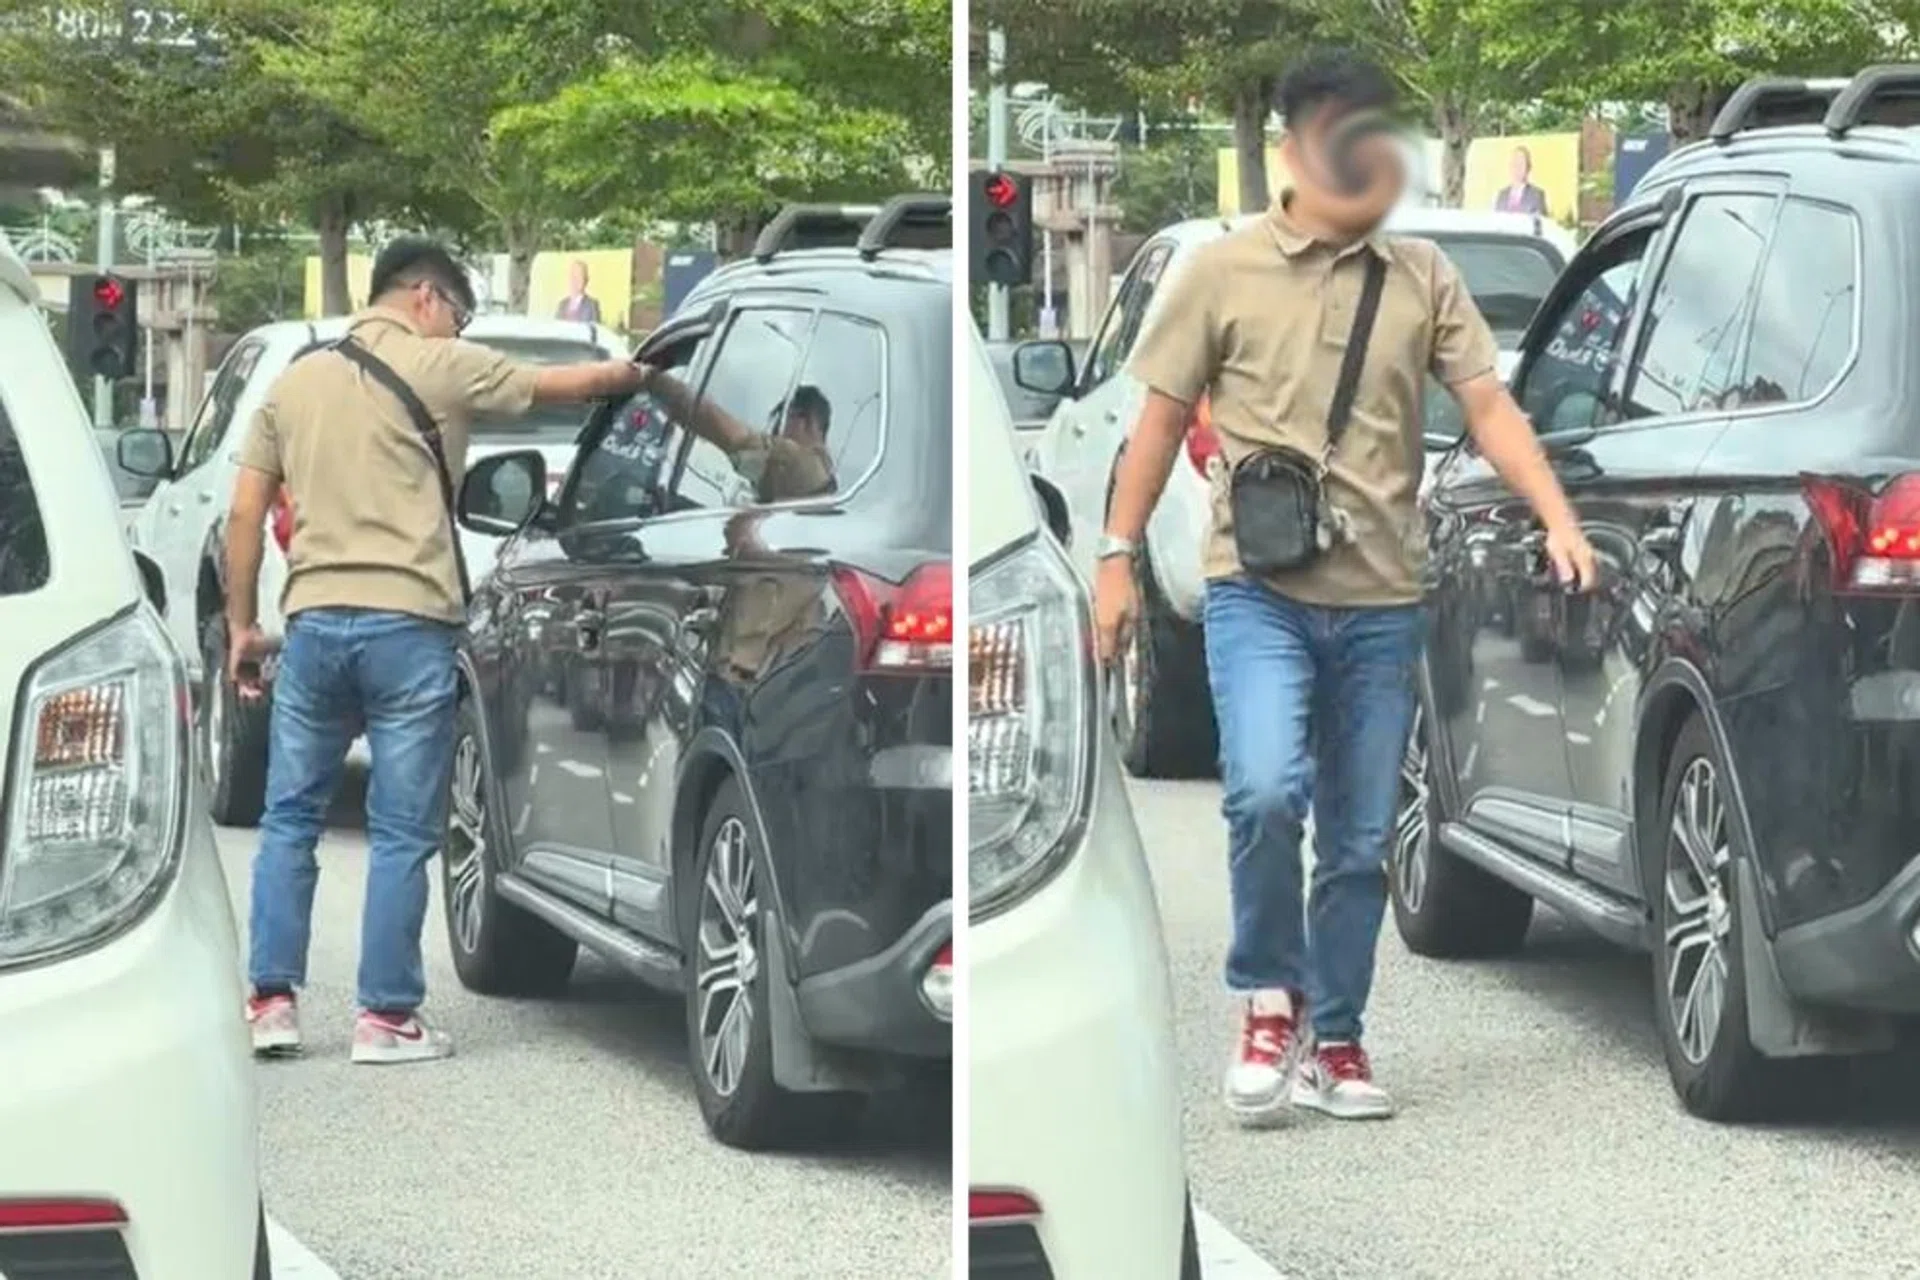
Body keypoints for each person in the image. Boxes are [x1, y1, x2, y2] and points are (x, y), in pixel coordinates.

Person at [1097, 49, 1595, 1123]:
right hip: (1257, 589)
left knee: (1361, 832)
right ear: (1289, 149)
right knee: (1266, 791)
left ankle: (1338, 1034)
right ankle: (1268, 997)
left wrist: (1557, 517)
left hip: (1382, 597)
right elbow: (1157, 423)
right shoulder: (1219, 271)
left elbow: (1491, 409)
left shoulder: (1420, 276)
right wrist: (1113, 561)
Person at [228, 236, 646, 1065]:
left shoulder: (294, 382)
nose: (459, 325)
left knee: (288, 820)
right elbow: (569, 384)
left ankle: (271, 1003)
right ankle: (385, 1019)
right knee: (398, 830)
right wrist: (642, 374)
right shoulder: (442, 362)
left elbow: (245, 517)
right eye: (459, 311)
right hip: (409, 625)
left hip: (312, 622)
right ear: (425, 297)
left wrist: (243, 626)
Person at [1494, 145, 1549, 215]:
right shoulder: (1501, 196)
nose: (1517, 168)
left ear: (1528, 167)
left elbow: (1540, 223)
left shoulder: (1537, 195)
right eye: (1514, 163)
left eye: (1521, 164)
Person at [556, 259, 602, 323]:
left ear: (586, 280)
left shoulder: (592, 305)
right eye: (573, 275)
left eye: (579, 276)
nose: (575, 279)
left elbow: (594, 330)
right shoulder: (562, 305)